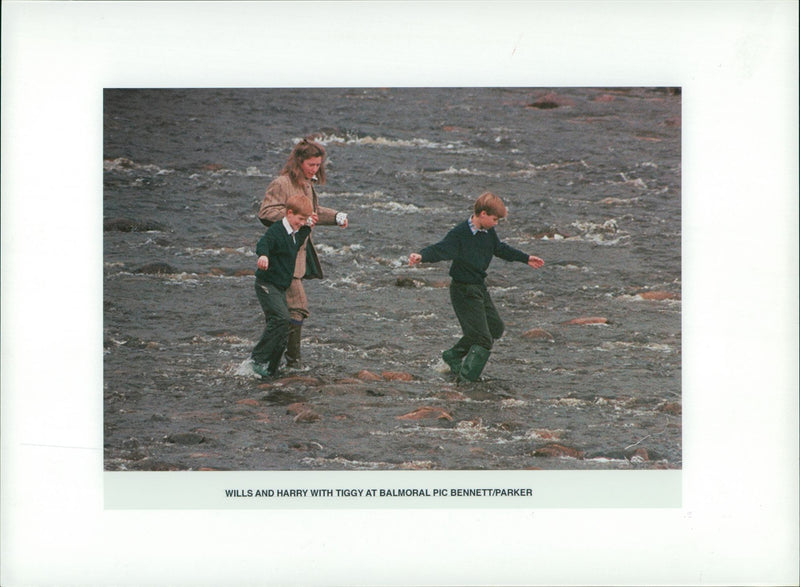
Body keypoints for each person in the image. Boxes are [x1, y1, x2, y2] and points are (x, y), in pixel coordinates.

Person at [408, 192, 544, 382]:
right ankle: (466, 382)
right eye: (494, 219)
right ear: (482, 214)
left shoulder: (488, 232)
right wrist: (421, 256)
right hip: (463, 290)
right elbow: (441, 249)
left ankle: (453, 356)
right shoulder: (460, 233)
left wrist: (526, 258)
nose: (496, 223)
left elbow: (500, 249)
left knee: (495, 328)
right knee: (483, 339)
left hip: (479, 288)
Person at [258, 138, 349, 369]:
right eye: (311, 165)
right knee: (296, 307)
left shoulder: (308, 185)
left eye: (318, 165)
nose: (315, 169)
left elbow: (312, 212)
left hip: (298, 253)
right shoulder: (282, 183)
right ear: (299, 162)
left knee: (288, 312)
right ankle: (291, 362)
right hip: (282, 256)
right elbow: (266, 212)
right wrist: (296, 217)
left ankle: (278, 362)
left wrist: (336, 217)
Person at [251, 195, 313, 378]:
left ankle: (271, 369)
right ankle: (256, 360)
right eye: (300, 219)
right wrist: (263, 256)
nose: (302, 223)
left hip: (279, 287)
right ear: (289, 213)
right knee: (280, 319)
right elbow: (264, 243)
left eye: (304, 220)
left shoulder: (294, 234)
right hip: (266, 284)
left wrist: (309, 225)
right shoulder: (277, 230)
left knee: (284, 327)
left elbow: (301, 237)